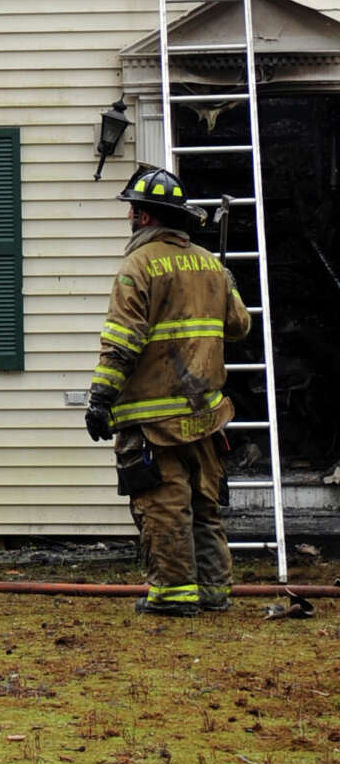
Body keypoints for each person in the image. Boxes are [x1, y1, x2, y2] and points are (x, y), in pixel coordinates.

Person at [85, 164, 252, 616]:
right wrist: (226, 285)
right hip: (206, 416)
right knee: (204, 506)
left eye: (132, 212)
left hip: (154, 419)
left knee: (164, 506)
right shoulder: (210, 264)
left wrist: (100, 398)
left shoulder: (137, 265)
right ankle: (214, 592)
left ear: (142, 217)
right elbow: (239, 326)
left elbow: (122, 342)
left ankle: (174, 596)